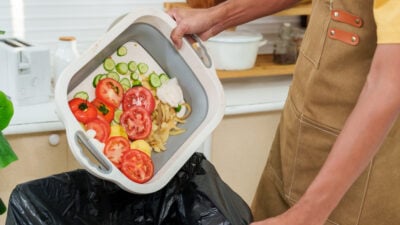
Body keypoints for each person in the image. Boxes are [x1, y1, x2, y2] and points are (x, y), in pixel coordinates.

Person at [167, 1, 400, 225]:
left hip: (355, 178)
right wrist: (218, 17)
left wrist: (307, 215)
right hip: (299, 131)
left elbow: (389, 83)